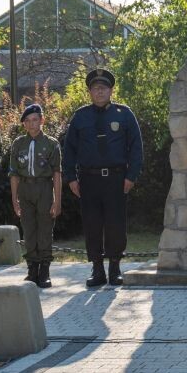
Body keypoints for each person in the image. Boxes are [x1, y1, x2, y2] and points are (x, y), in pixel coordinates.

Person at [62, 68, 143, 287]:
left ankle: (115, 268)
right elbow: (69, 149)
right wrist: (71, 178)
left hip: (116, 179)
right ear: (89, 92)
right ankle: (97, 269)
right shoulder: (81, 116)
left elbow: (136, 147)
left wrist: (131, 176)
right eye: (96, 88)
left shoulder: (124, 114)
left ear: (111, 90)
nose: (100, 92)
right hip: (88, 180)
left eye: (104, 88)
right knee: (92, 224)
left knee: (116, 224)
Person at [9, 103, 62, 287]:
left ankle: (44, 271)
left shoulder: (51, 144)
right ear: (24, 124)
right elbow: (14, 174)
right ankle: (32, 270)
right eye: (28, 121)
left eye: (35, 120)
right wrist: (14, 200)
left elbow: (56, 173)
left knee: (45, 229)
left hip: (44, 188)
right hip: (25, 189)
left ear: (42, 120)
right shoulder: (18, 144)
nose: (32, 124)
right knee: (29, 229)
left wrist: (57, 200)